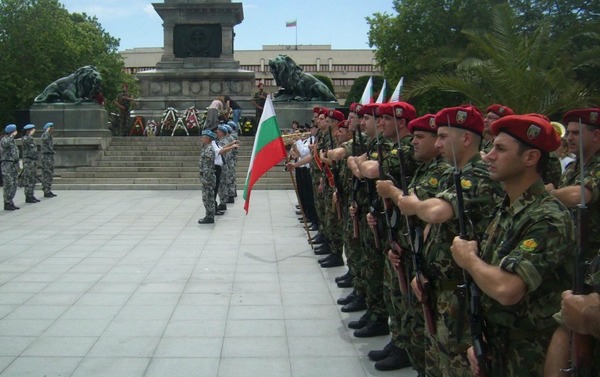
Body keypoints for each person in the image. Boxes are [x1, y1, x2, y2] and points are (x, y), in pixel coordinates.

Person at [450, 114, 575, 376]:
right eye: (492, 146)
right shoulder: (507, 207)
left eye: (500, 149)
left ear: (530, 158)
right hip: (498, 343)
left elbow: (508, 289)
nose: (488, 156)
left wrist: (469, 259)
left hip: (529, 353)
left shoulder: (547, 217)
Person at [395, 105, 503, 377]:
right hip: (441, 289)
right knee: (437, 362)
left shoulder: (477, 175)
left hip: (462, 293)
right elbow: (434, 225)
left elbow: (436, 212)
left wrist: (412, 204)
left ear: (466, 139)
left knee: (456, 366)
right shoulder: (456, 172)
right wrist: (421, 271)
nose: (438, 143)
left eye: (443, 136)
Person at [198, 130, 217, 224]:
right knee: (207, 197)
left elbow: (208, 166)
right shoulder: (206, 148)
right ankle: (209, 215)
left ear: (208, 138)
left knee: (208, 197)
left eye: (204, 137)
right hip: (206, 177)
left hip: (208, 178)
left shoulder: (209, 149)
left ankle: (209, 216)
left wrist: (206, 179)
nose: (202, 139)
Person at [1, 124, 20, 211]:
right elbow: (5, 144)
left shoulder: (12, 140)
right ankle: (7, 202)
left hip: (13, 165)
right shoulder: (5, 139)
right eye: (15, 130)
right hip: (7, 164)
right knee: (8, 184)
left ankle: (11, 200)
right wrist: (11, 136)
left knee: (14, 184)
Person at [21, 124, 40, 203]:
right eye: (31, 130)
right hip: (28, 161)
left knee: (32, 179)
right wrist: (30, 134)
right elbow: (27, 141)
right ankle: (28, 196)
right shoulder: (25, 138)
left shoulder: (31, 138)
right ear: (28, 130)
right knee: (28, 179)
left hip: (32, 161)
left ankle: (31, 195)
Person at [40, 122, 57, 198]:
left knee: (50, 173)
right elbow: (45, 140)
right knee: (46, 173)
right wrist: (47, 131)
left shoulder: (50, 136)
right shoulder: (45, 135)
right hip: (46, 156)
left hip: (50, 156)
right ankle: (46, 190)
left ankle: (48, 189)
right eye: (52, 128)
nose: (53, 129)